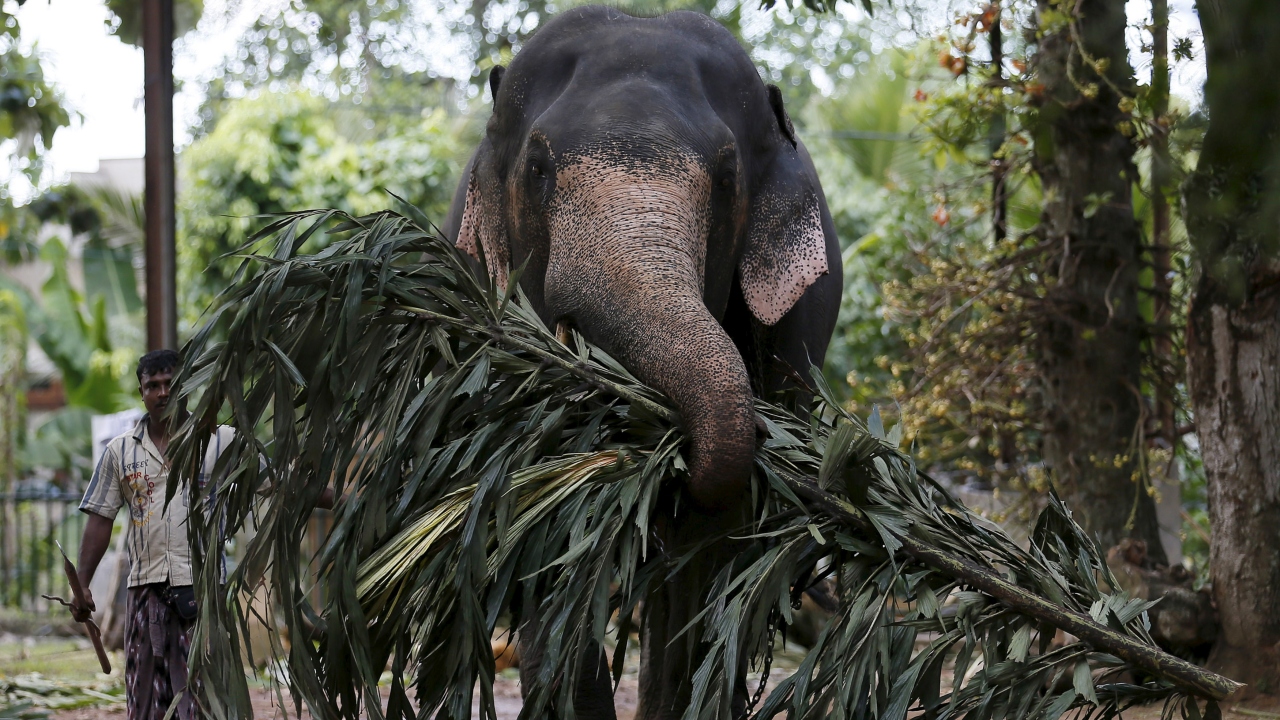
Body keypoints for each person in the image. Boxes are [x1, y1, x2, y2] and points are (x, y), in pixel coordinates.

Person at [70, 349, 332, 719]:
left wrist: (344, 501)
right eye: (153, 385)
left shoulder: (222, 443)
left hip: (203, 595)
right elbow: (100, 517)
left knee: (203, 704)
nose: (163, 392)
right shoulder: (121, 452)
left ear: (187, 386)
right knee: (145, 704)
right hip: (146, 595)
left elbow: (281, 482)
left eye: (171, 383)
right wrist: (82, 584)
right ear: (141, 392)